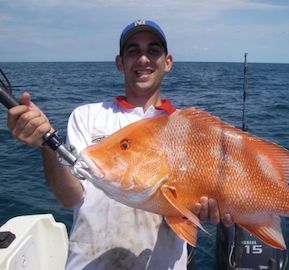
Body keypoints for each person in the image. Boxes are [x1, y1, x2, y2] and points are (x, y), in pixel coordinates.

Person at [7, 19, 234, 269]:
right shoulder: (87, 116)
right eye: (133, 50)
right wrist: (45, 143)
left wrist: (202, 211)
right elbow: (69, 197)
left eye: (153, 50)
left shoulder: (186, 129)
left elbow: (190, 203)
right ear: (120, 62)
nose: (143, 59)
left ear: (167, 62)